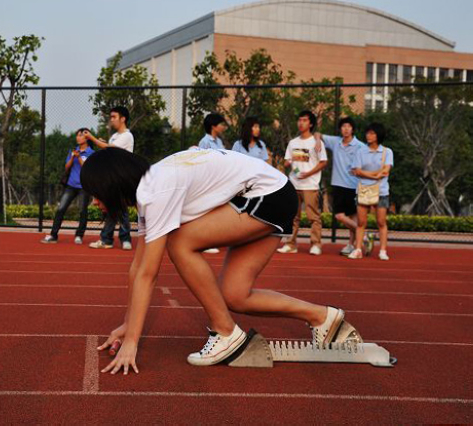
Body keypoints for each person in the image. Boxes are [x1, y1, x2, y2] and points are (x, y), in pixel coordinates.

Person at [81, 147, 349, 375]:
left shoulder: (156, 189)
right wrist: (128, 324)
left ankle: (225, 332)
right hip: (274, 195)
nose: (94, 202)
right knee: (234, 295)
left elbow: (147, 273)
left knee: (179, 242)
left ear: (112, 185)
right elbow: (138, 266)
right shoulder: (150, 188)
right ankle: (322, 317)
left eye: (96, 193)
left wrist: (132, 341)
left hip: (268, 195)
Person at [314, 118, 369, 256]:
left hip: (354, 186)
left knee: (352, 217)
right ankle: (364, 235)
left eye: (349, 126)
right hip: (338, 185)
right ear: (340, 129)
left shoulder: (360, 146)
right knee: (339, 216)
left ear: (353, 129)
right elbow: (317, 134)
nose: (346, 129)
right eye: (343, 126)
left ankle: (351, 244)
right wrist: (318, 141)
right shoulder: (335, 142)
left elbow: (367, 164)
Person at [277, 111, 328, 256]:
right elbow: (288, 161)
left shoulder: (316, 143)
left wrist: (309, 173)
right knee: (293, 216)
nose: (301, 123)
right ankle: (290, 244)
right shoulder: (293, 143)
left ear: (310, 124)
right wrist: (287, 163)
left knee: (313, 217)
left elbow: (323, 162)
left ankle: (316, 244)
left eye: (304, 120)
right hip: (294, 184)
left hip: (310, 185)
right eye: (299, 120)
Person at [83, 106, 134, 250]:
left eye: (114, 117)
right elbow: (110, 150)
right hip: (113, 177)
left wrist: (92, 138)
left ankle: (122, 238)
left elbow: (110, 148)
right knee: (113, 208)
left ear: (123, 119)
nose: (111, 120)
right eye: (111, 117)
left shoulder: (127, 136)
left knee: (121, 208)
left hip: (123, 177)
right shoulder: (115, 136)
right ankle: (109, 239)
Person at [349, 123, 394, 261]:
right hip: (363, 190)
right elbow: (356, 171)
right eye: (368, 133)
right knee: (361, 222)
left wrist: (366, 173)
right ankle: (358, 249)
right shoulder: (360, 151)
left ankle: (383, 250)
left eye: (372, 133)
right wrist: (374, 175)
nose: (369, 136)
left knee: (381, 221)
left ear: (378, 135)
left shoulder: (387, 152)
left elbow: (386, 171)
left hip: (381, 191)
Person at [41, 128, 93, 245]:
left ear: (87, 138)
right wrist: (73, 157)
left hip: (84, 187)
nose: (78, 137)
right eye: (77, 135)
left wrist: (79, 157)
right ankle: (53, 235)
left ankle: (79, 235)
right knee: (61, 209)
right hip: (71, 185)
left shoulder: (91, 153)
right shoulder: (73, 150)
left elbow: (87, 168)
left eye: (81, 135)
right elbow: (67, 167)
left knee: (82, 211)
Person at [197, 112, 228, 254]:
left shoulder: (219, 142)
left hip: (218, 180)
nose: (223, 127)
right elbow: (201, 162)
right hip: (208, 181)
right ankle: (204, 242)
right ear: (213, 126)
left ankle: (211, 240)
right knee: (207, 212)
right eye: (221, 124)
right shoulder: (204, 142)